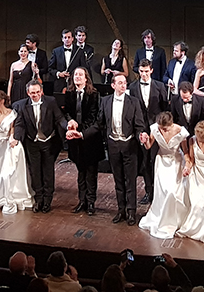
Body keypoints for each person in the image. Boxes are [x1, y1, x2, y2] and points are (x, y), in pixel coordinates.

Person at [75, 72, 147, 224]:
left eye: (125, 82)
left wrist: (142, 134)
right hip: (113, 145)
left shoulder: (134, 102)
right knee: (118, 180)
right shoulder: (105, 101)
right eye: (120, 83)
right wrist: (82, 134)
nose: (123, 85)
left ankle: (131, 211)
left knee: (130, 180)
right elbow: (99, 124)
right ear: (113, 85)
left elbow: (140, 125)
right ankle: (121, 210)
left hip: (130, 146)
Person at [11, 80, 69, 213]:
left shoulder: (51, 102)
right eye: (32, 93)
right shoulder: (22, 105)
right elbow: (20, 124)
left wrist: (68, 127)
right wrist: (16, 138)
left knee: (48, 171)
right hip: (32, 141)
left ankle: (47, 200)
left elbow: (59, 118)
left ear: (42, 91)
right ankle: (39, 200)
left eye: (38, 92)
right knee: (35, 171)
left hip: (49, 141)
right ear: (28, 93)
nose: (35, 95)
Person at [0, 89, 34, 214]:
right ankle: (1, 197)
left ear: (2, 101)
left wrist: (12, 139)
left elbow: (13, 129)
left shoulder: (12, 114)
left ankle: (12, 196)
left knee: (9, 172)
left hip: (11, 145)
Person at [139, 111, 191, 239]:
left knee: (172, 192)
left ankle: (173, 219)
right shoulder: (155, 128)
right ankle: (160, 215)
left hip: (175, 163)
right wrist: (144, 141)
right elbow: (149, 146)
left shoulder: (181, 131)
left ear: (171, 124)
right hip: (161, 162)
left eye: (165, 129)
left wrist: (187, 165)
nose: (163, 131)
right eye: (161, 128)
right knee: (162, 192)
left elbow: (185, 151)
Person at [62, 67, 102, 214]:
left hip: (89, 138)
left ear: (86, 78)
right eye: (75, 75)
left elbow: (93, 117)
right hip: (75, 139)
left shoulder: (94, 94)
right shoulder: (70, 93)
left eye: (80, 75)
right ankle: (82, 201)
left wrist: (79, 130)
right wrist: (71, 121)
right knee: (80, 172)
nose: (77, 77)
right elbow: (66, 112)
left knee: (91, 173)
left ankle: (91, 203)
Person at [129, 57, 169, 203]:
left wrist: (163, 127)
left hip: (157, 130)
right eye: (141, 71)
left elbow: (165, 109)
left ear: (151, 70)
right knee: (145, 161)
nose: (144, 74)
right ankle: (149, 192)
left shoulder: (160, 86)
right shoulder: (132, 87)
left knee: (156, 161)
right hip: (140, 129)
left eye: (146, 71)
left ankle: (160, 192)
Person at [49, 29, 88, 93]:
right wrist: (59, 74)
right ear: (62, 39)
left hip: (74, 84)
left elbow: (83, 68)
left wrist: (74, 75)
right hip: (59, 85)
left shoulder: (79, 51)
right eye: (65, 37)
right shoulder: (56, 51)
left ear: (72, 38)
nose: (67, 39)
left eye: (69, 37)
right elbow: (50, 68)